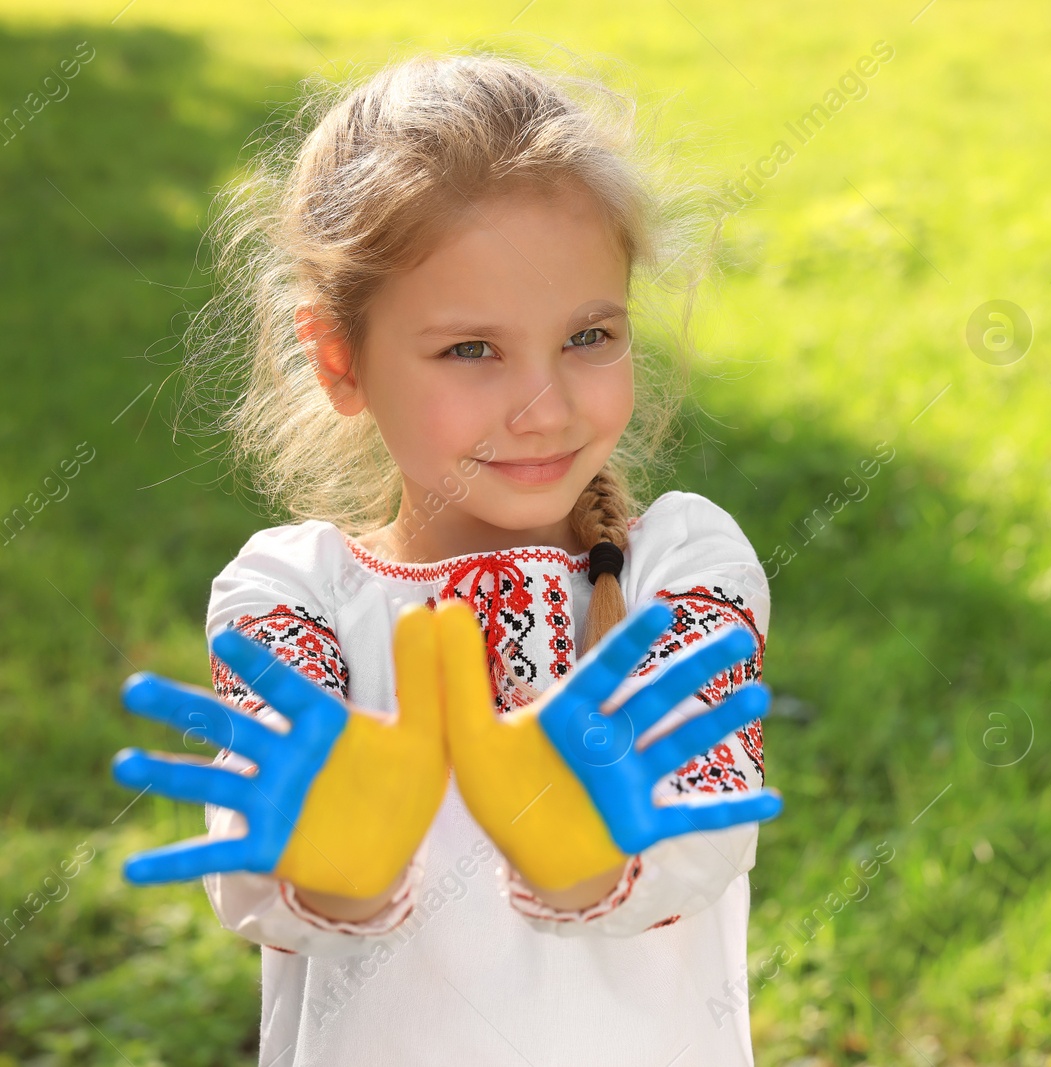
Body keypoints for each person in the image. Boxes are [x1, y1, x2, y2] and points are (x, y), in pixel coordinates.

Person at [172, 50, 773, 1066]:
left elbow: (707, 832)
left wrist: (594, 846)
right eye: (470, 349)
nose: (545, 405)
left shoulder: (683, 564)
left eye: (589, 334)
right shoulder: (294, 595)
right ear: (340, 361)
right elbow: (262, 878)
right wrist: (331, 864)